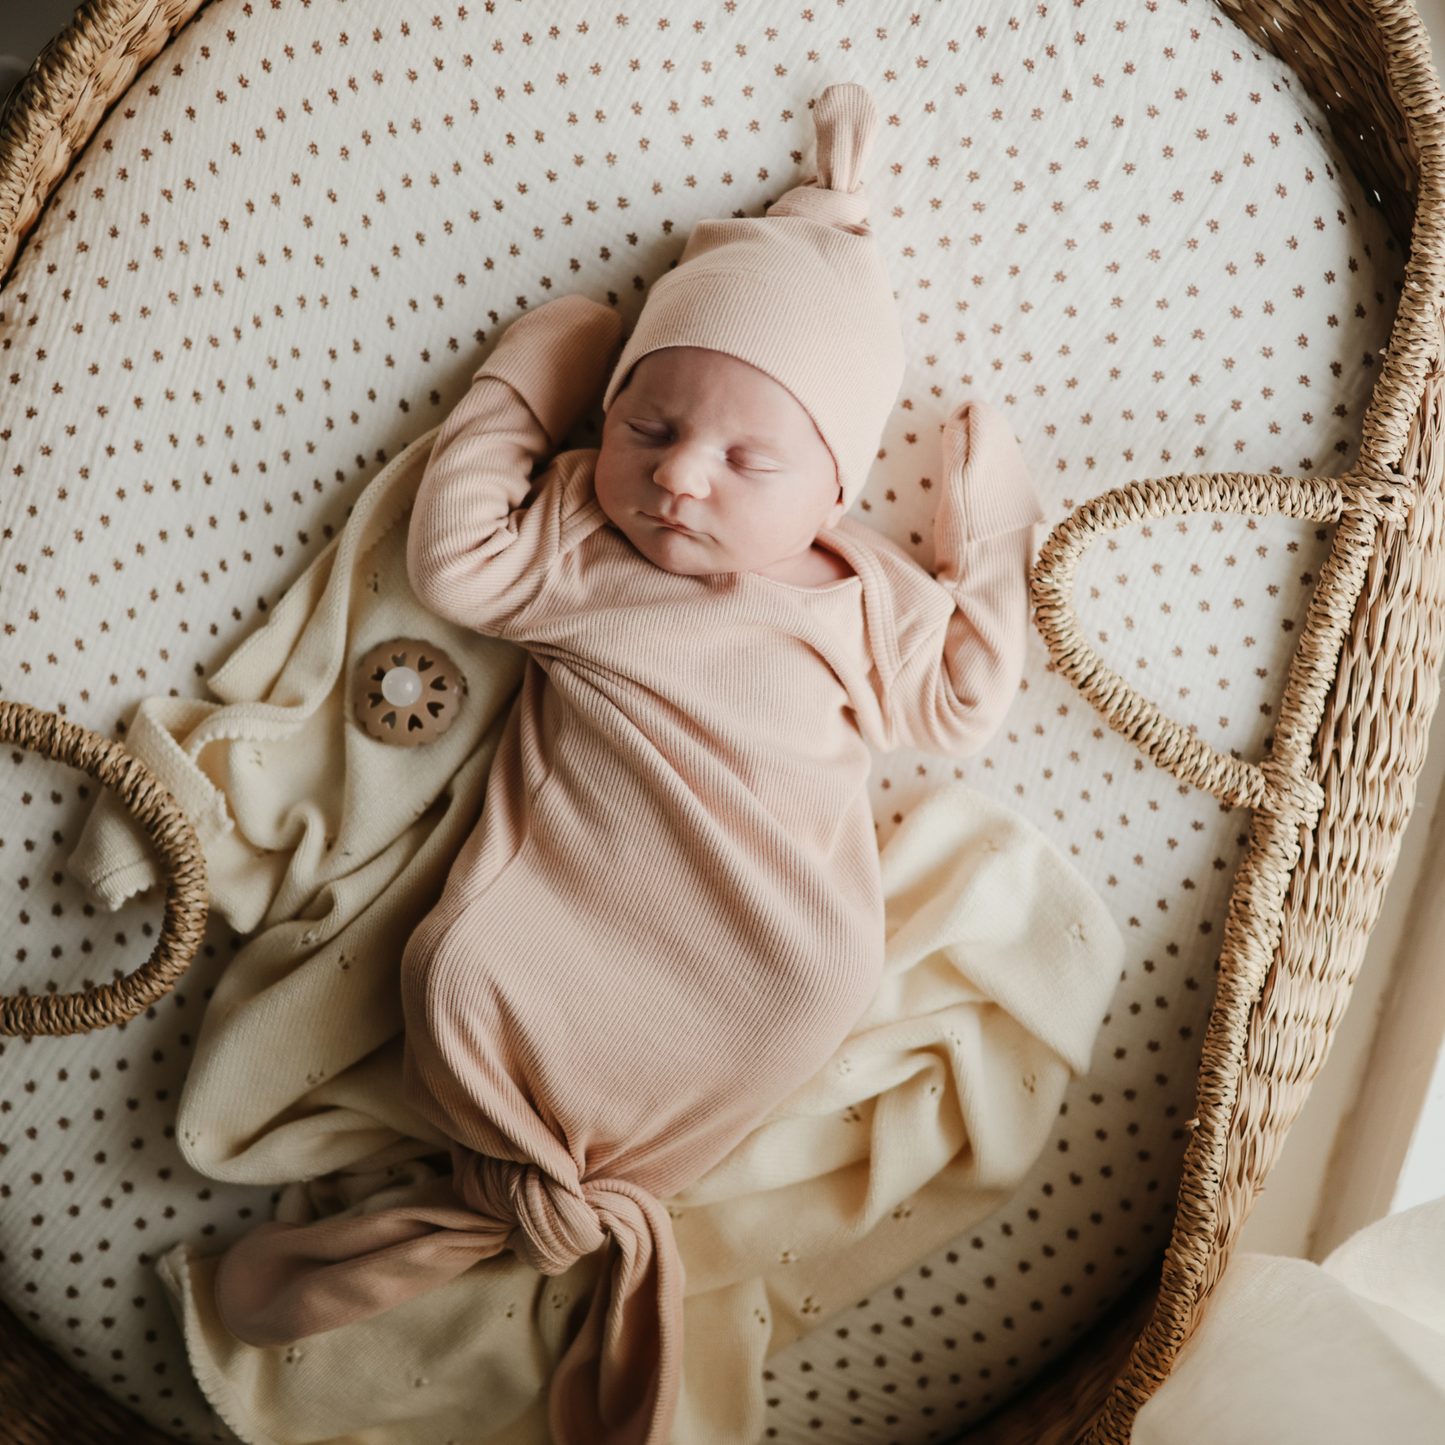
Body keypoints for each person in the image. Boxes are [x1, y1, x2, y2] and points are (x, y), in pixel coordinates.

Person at [210, 82, 1044, 1445]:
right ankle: (514, 1183)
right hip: (577, 898)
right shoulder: (577, 550)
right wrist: (536, 367)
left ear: (831, 491)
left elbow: (960, 706)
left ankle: (587, 1198)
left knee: (822, 982)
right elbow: (451, 557)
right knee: (458, 967)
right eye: (647, 427)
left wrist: (981, 531)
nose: (680, 479)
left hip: (773, 934)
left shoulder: (853, 588)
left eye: (743, 458)